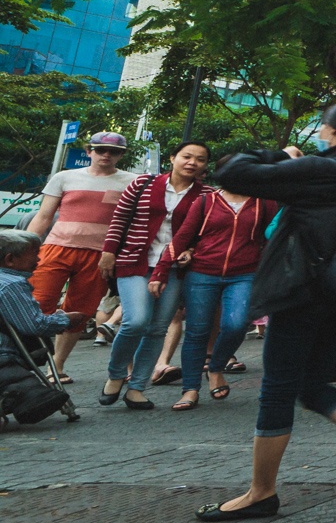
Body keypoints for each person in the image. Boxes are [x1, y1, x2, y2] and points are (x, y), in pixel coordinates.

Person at [193, 99, 336, 522]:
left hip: (301, 294)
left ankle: (261, 492)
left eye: (323, 125)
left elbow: (231, 172)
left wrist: (282, 156)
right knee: (308, 385)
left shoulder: (323, 168)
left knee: (276, 387)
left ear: (333, 130)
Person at [154, 161, 278, 411]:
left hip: (244, 274)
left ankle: (216, 366)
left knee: (236, 324)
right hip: (202, 273)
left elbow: (274, 235)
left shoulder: (264, 202)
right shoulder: (205, 201)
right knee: (197, 332)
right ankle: (189, 389)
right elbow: (183, 236)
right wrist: (161, 270)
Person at [99, 140, 211, 409]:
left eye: (200, 159)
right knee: (135, 321)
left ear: (205, 166)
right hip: (134, 261)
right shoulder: (142, 184)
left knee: (158, 328)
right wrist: (108, 251)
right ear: (172, 157)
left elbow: (205, 233)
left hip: (174, 268)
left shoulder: (206, 194)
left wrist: (192, 250)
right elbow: (120, 218)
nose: (192, 162)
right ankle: (116, 375)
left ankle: (137, 387)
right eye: (186, 156)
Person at [25, 132, 134, 383]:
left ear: (121, 155)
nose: (106, 155)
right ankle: (24, 364)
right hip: (56, 248)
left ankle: (57, 367)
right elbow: (43, 217)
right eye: (99, 150)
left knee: (79, 311)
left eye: (113, 151)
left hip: (100, 256)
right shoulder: (65, 177)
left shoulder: (132, 181)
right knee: (37, 305)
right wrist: (24, 248)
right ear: (89, 152)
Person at [1, 230, 71, 379]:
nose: (38, 259)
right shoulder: (12, 285)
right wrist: (67, 320)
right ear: (10, 260)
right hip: (6, 355)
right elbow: (34, 325)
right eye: (34, 253)